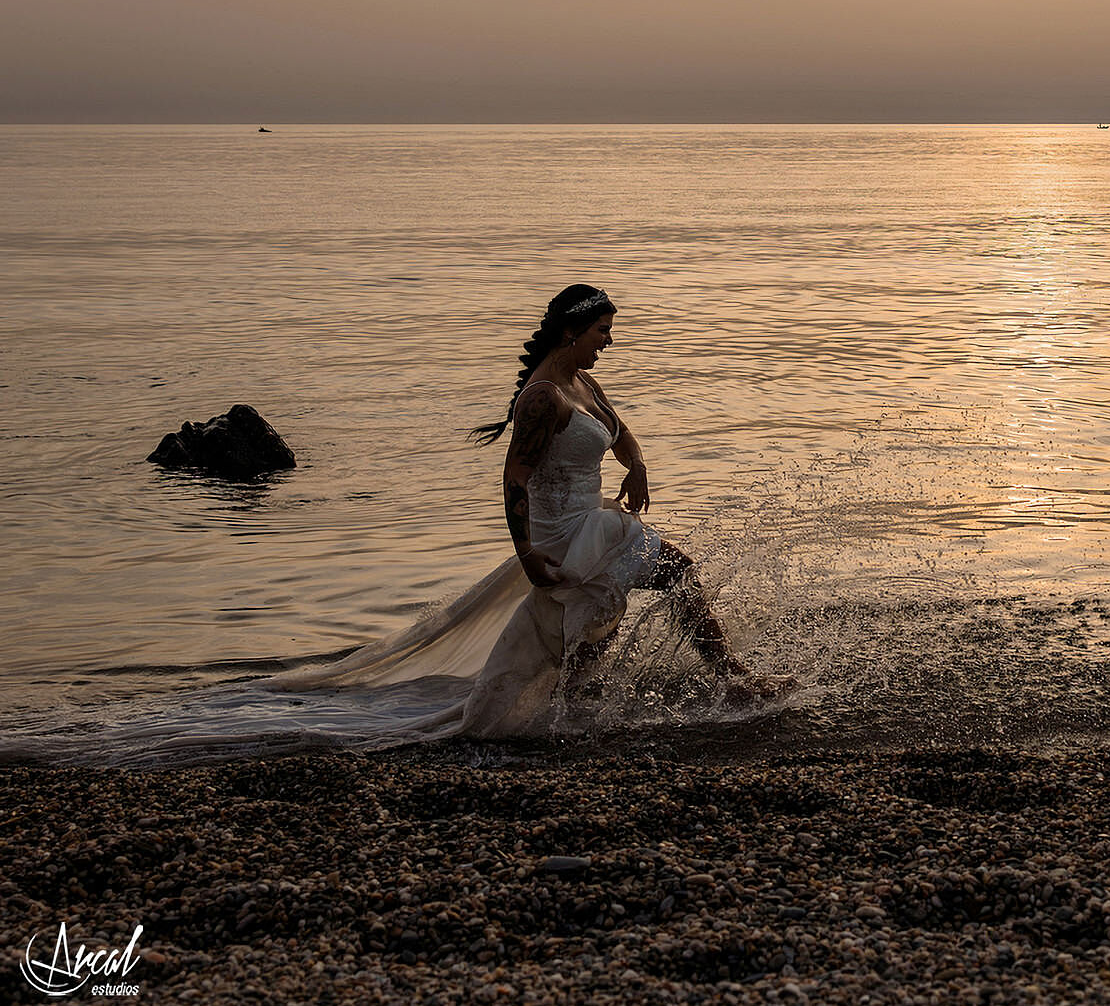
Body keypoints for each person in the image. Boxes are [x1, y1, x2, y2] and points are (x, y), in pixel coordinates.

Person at [270, 284, 775, 738]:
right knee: (672, 575)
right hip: (562, 531)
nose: (609, 342)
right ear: (572, 330)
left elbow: (620, 435)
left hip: (593, 520)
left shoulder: (584, 383)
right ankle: (733, 679)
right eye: (602, 332)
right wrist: (527, 552)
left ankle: (572, 701)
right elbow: (515, 477)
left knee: (595, 620)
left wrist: (637, 464)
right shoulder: (542, 398)